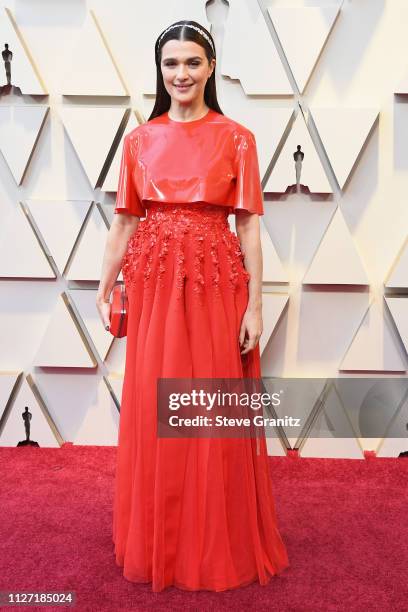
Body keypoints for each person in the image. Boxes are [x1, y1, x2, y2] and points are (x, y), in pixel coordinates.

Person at [97, 19, 289, 593]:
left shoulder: (237, 138)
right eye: (171, 64)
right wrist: (104, 283)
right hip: (154, 281)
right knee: (156, 405)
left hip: (214, 280)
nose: (181, 74)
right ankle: (163, 537)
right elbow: (125, 219)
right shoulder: (139, 139)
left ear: (209, 68)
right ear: (161, 72)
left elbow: (250, 226)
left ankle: (212, 543)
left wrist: (255, 307)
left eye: (192, 63)